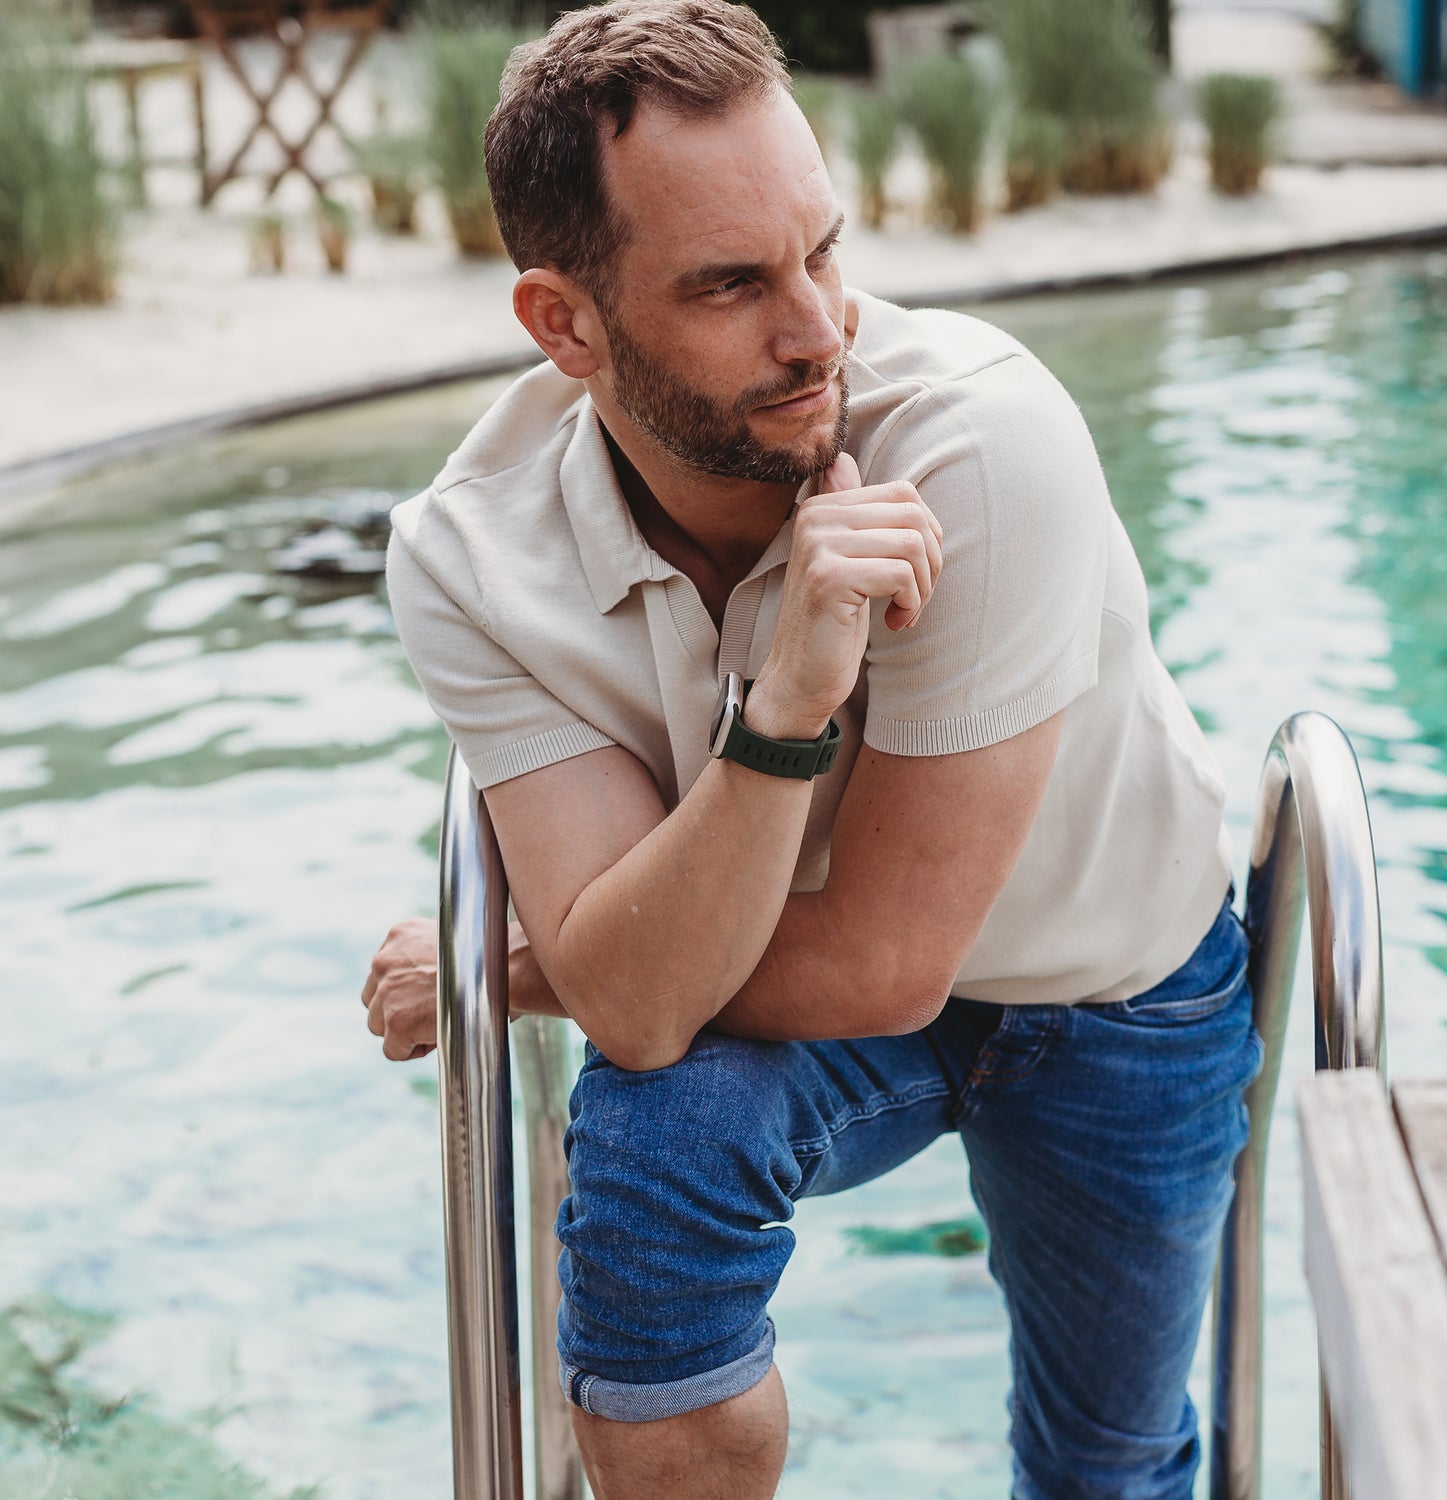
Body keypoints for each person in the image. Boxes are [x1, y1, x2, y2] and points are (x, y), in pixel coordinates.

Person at [362, 2, 1263, 1495]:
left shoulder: (981, 440)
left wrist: (526, 967)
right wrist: (784, 705)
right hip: (823, 998)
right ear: (563, 323)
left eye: (825, 251)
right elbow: (647, 1020)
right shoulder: (468, 557)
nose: (816, 329)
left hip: (1119, 990)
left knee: (1104, 1467)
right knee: (652, 1135)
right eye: (731, 285)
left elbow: (881, 964)